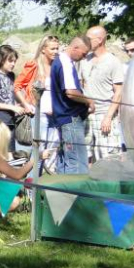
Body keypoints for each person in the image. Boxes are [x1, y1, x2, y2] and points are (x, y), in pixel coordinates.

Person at [80, 26, 125, 162]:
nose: (85, 42)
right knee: (87, 157)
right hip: (87, 115)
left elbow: (118, 92)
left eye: (88, 39)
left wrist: (108, 117)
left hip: (104, 115)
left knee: (108, 158)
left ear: (100, 40)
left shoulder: (113, 62)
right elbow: (81, 84)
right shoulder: (84, 60)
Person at [51, 36, 94, 174]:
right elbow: (70, 92)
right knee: (77, 165)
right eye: (83, 53)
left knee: (66, 162)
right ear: (75, 48)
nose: (84, 56)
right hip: (70, 119)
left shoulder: (61, 61)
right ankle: (76, 195)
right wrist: (89, 101)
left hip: (64, 119)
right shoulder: (65, 64)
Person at [14, 35, 61, 153]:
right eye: (52, 49)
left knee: (50, 153)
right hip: (38, 115)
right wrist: (25, 104)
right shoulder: (34, 65)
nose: (56, 51)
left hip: (55, 116)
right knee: (37, 153)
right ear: (43, 49)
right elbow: (17, 86)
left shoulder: (57, 66)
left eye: (57, 48)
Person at [0, 44, 25, 150]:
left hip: (10, 121)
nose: (13, 64)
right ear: (2, 59)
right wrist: (12, 107)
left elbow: (11, 96)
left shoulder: (11, 76)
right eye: (10, 61)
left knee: (9, 155)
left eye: (14, 61)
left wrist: (22, 104)